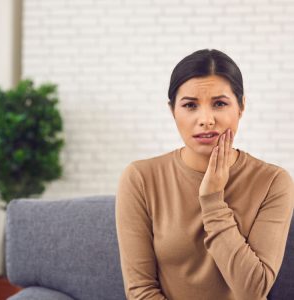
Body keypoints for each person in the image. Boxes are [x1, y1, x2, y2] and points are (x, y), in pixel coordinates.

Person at [115, 49, 294, 300]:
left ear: (241, 107)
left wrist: (212, 201)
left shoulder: (273, 182)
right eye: (190, 105)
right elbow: (140, 291)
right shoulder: (140, 178)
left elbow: (253, 290)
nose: (206, 120)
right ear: (172, 111)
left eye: (220, 104)